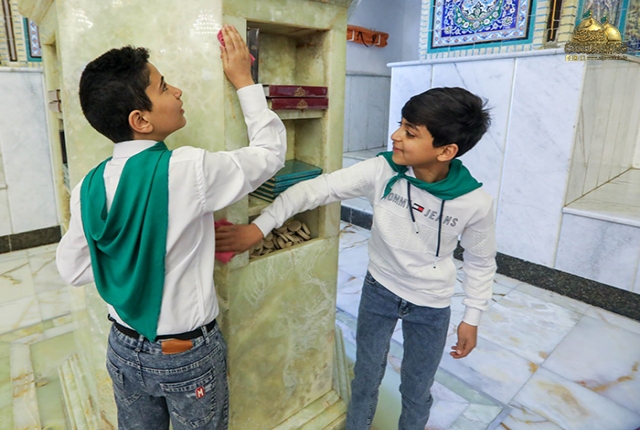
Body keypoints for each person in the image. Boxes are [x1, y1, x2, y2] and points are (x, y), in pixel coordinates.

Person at [215, 87, 496, 429]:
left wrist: (472, 317)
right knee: (365, 376)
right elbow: (313, 190)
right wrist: (258, 228)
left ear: (446, 150)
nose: (395, 136)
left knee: (417, 389)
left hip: (431, 305)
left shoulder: (474, 203)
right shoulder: (382, 171)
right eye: (401, 125)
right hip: (379, 291)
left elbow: (481, 262)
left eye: (410, 133)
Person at [55, 25, 286, 430]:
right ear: (140, 119)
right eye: (163, 87)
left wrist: (131, 259)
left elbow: (72, 270)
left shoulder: (87, 187)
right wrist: (244, 80)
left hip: (122, 348)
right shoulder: (188, 169)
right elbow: (270, 154)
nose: (177, 91)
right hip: (185, 354)